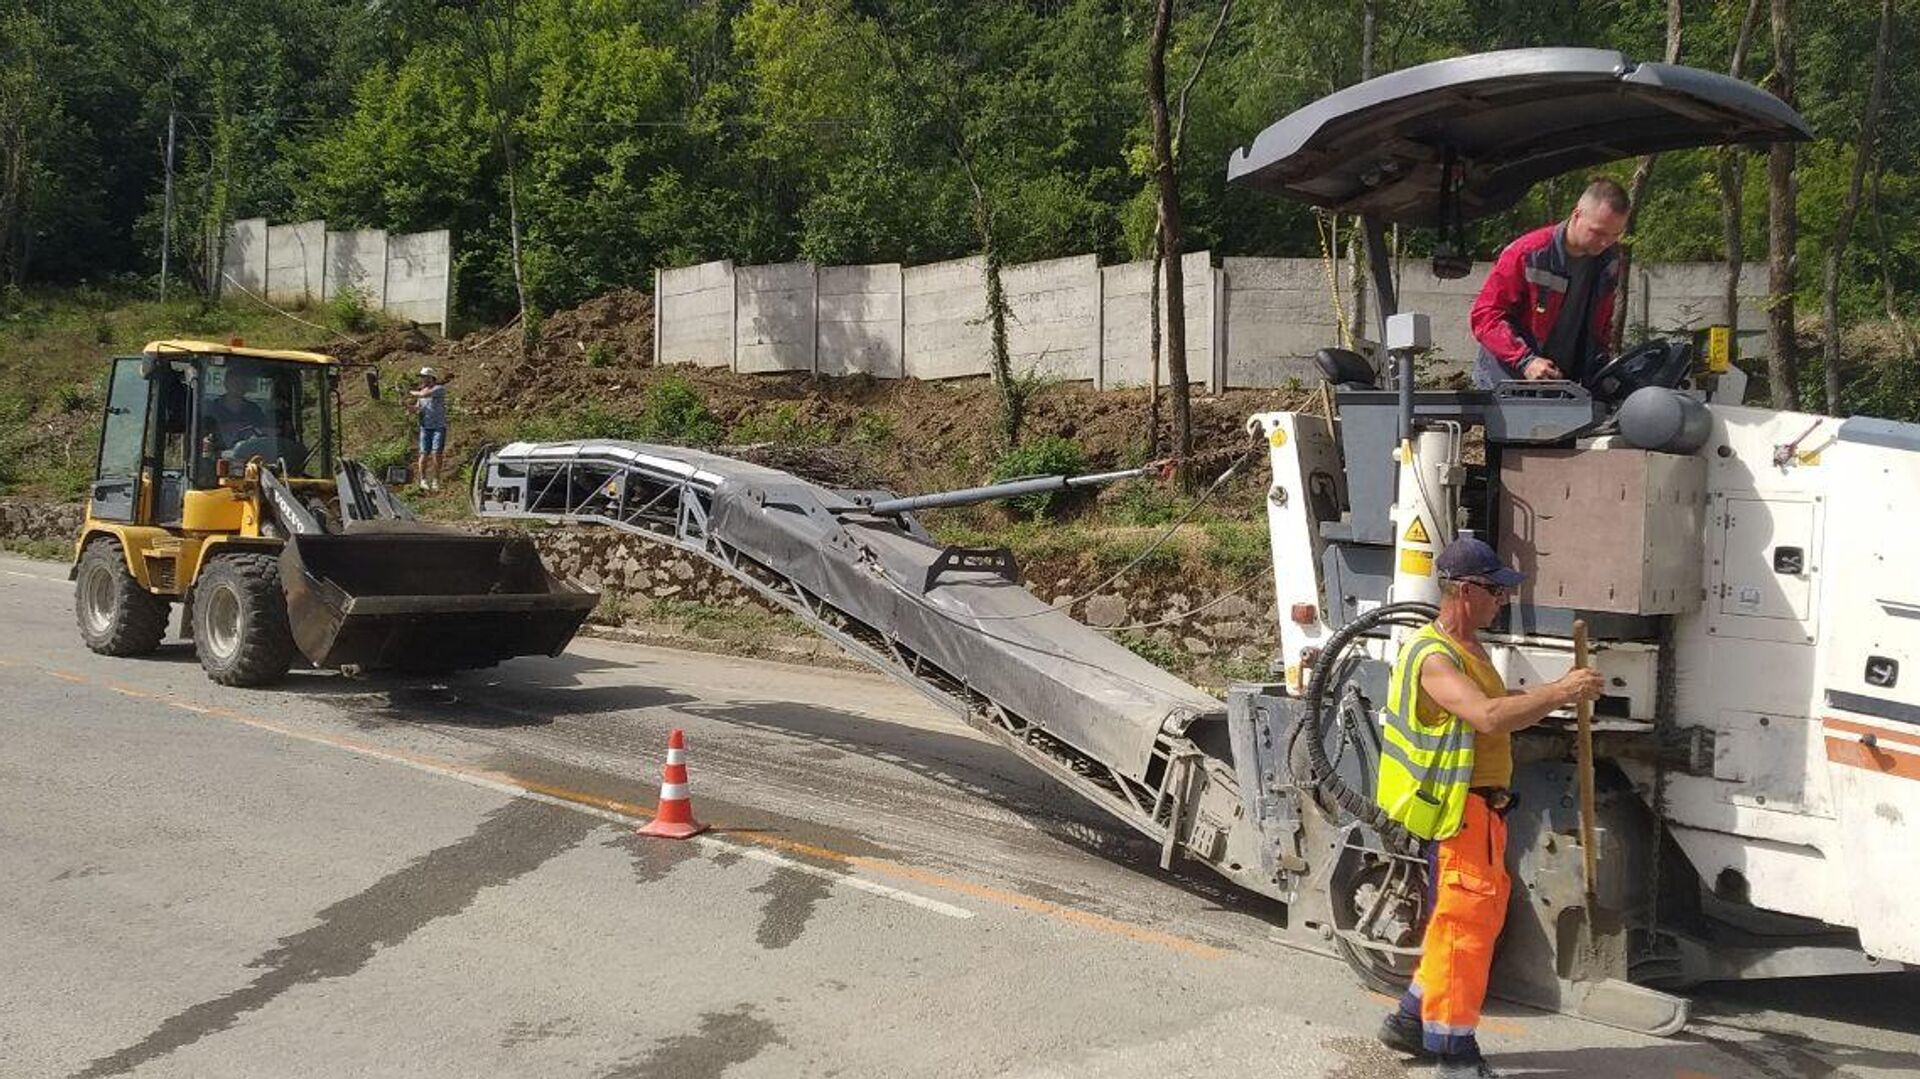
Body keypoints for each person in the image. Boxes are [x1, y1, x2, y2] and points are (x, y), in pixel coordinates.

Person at [1374, 537, 1604, 1079]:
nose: (1503, 599)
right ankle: (1453, 1053)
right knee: (1465, 931)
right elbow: (1487, 717)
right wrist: (1561, 691)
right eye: (1497, 589)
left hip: (1482, 812)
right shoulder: (1433, 658)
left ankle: (1412, 1019)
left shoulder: (1471, 650)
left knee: (1463, 922)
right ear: (1465, 590)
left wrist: (1556, 696)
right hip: (1456, 812)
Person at [1469, 176, 1630, 388]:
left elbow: (1601, 327)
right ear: (1576, 215)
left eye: (1614, 235)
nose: (1605, 242)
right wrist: (1525, 360)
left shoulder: (1609, 262)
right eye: (1598, 232)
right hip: (1507, 382)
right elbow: (1485, 316)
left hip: (1562, 384)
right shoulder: (1528, 254)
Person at [204, 365, 269, 447]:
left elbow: (263, 436)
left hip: (247, 456)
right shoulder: (212, 409)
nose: (238, 385)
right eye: (235, 381)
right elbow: (203, 436)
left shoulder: (254, 411)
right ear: (226, 383)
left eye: (242, 382)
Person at [408, 366, 449, 491]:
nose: (423, 379)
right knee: (424, 453)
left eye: (425, 377)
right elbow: (417, 409)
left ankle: (436, 480)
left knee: (436, 453)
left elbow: (424, 394)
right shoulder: (421, 393)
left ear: (431, 378)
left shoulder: (438, 389)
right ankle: (423, 480)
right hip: (425, 427)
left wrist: (409, 392)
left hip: (438, 426)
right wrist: (407, 406)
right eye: (422, 377)